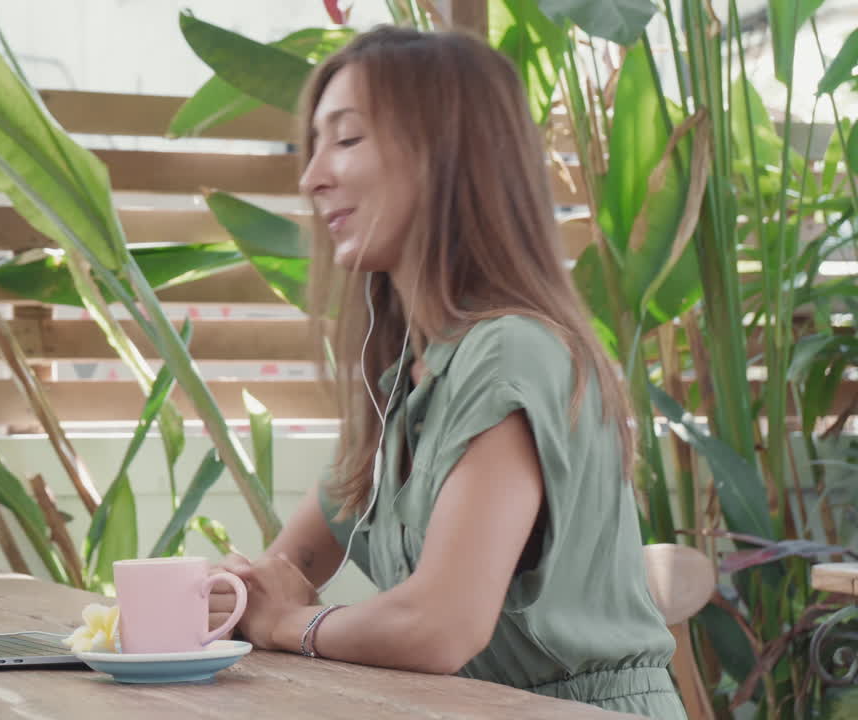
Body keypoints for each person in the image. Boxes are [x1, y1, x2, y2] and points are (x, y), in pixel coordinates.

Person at [206, 27, 686, 719]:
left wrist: (285, 624)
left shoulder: (513, 351)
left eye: (345, 140)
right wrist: (232, 593)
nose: (311, 176)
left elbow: (440, 625)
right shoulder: (409, 378)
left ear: (447, 156)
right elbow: (290, 570)